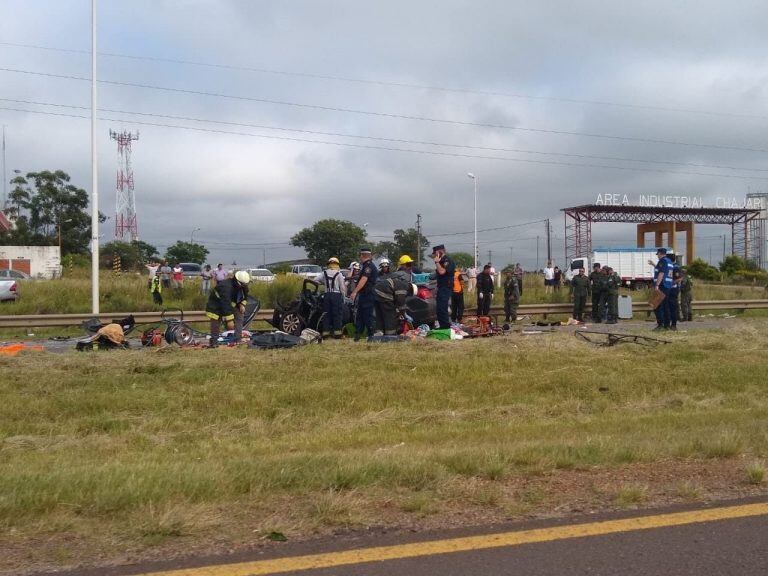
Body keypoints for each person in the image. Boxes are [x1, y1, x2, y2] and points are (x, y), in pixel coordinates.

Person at [205, 270, 251, 348]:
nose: (245, 286)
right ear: (238, 281)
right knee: (215, 321)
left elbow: (245, 295)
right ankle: (214, 342)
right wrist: (229, 320)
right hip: (216, 305)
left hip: (230, 304)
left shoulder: (243, 285)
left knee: (240, 315)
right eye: (243, 284)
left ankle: (237, 339)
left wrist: (242, 304)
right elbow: (225, 303)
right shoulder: (225, 287)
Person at [374, 258, 412, 336]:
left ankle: (379, 333)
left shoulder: (398, 279)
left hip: (376, 294)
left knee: (380, 315)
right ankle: (390, 335)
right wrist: (403, 314)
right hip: (384, 295)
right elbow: (401, 302)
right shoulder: (404, 285)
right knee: (390, 315)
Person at [350, 248, 378, 341]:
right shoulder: (366, 265)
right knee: (360, 316)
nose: (360, 257)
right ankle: (357, 335)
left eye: (360, 256)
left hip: (368, 294)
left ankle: (371, 336)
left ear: (362, 255)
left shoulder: (368, 266)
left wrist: (354, 291)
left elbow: (363, 280)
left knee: (367, 316)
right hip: (364, 294)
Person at [431, 244, 455, 329]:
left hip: (446, 287)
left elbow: (442, 272)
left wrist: (437, 262)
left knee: (442, 307)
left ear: (440, 252)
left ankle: (445, 327)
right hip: (441, 287)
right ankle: (442, 326)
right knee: (439, 309)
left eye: (435, 253)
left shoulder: (447, 260)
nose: (434, 255)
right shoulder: (441, 261)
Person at [322, 257, 346, 339]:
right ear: (337, 264)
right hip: (336, 295)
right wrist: (344, 296)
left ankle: (326, 334)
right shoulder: (339, 274)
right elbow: (342, 287)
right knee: (337, 314)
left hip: (327, 295)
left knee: (326, 314)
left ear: (329, 264)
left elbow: (316, 280)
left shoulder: (324, 273)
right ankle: (337, 334)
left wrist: (324, 283)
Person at [652, 248, 675, 330]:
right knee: (665, 306)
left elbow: (661, 273)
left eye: (658, 254)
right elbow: (663, 271)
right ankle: (667, 325)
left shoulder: (662, 261)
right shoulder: (669, 262)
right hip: (668, 286)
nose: (657, 256)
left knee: (656, 305)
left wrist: (657, 285)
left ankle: (660, 324)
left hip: (662, 285)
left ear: (661, 253)